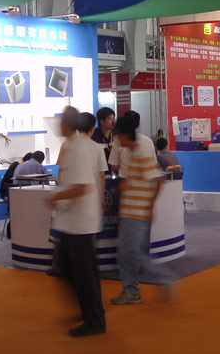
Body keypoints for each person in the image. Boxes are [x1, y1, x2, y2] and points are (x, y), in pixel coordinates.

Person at [47, 106, 106, 337]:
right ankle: (90, 311)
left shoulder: (81, 148)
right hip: (70, 221)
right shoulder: (71, 146)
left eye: (61, 120)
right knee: (68, 267)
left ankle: (94, 318)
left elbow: (82, 186)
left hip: (81, 222)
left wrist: (56, 196)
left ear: (68, 124)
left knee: (84, 273)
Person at [111, 116, 175, 305]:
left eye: (118, 136)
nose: (117, 140)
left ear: (125, 135)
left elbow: (158, 179)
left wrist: (149, 207)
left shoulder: (140, 152)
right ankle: (132, 290)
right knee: (128, 253)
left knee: (130, 253)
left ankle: (161, 278)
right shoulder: (132, 151)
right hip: (130, 210)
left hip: (137, 211)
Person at [108, 110, 156, 178]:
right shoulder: (148, 141)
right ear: (138, 124)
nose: (118, 138)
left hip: (126, 179)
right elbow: (154, 164)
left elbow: (114, 166)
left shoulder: (118, 142)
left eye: (119, 134)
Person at [91, 107, 116, 174]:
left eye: (114, 118)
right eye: (110, 119)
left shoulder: (116, 134)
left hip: (114, 172)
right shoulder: (94, 135)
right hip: (99, 172)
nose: (113, 122)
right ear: (102, 121)